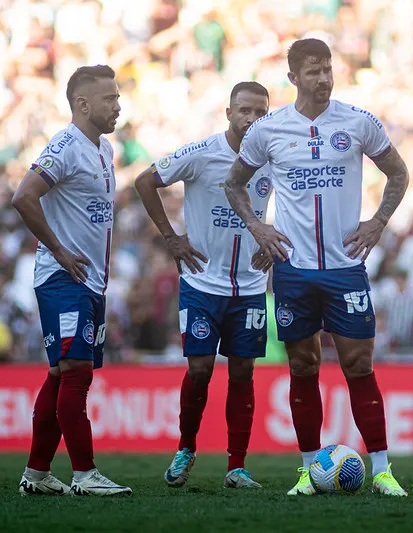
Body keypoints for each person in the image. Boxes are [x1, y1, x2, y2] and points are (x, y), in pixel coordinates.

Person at [223, 38, 409, 497]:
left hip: (346, 267)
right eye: (313, 71)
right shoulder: (268, 130)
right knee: (303, 366)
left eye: (327, 69)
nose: (323, 78)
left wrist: (378, 222)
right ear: (293, 78)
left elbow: (399, 173)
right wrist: (258, 228)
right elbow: (234, 184)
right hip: (294, 268)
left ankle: (383, 471)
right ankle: (308, 470)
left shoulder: (359, 121)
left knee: (358, 364)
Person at [134, 82, 272, 489]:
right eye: (244, 110)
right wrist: (170, 237)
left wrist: (274, 238)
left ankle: (237, 466)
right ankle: (187, 447)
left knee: (243, 372)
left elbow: (298, 202)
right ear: (228, 113)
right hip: (201, 281)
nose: (251, 119)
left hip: (249, 285)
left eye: (260, 112)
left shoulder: (272, 158)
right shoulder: (201, 154)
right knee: (200, 369)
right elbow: (145, 181)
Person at [11, 65, 131, 497]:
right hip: (64, 278)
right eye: (110, 99)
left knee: (61, 374)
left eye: (117, 97)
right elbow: (23, 196)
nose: (118, 106)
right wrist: (60, 251)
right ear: (83, 104)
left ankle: (37, 475)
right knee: (75, 372)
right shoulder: (65, 146)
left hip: (89, 282)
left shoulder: (103, 149)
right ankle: (85, 474)